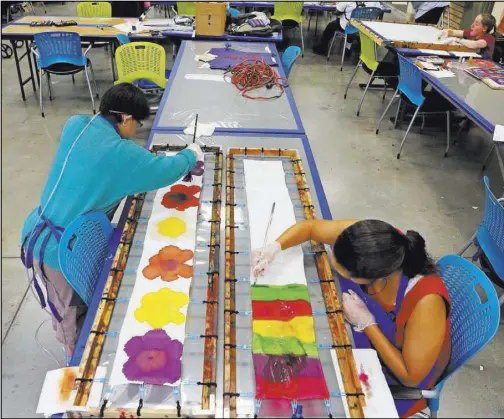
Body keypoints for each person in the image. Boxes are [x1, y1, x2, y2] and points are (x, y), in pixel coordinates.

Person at [20, 83, 203, 359]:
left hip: (47, 225)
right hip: (55, 250)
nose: (136, 132)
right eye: (137, 124)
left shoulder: (77, 124)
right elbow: (166, 170)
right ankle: (74, 362)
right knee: (68, 314)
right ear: (126, 118)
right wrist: (192, 154)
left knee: (83, 296)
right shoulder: (121, 154)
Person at [251, 219, 451, 417]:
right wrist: (274, 247)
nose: (337, 271)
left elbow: (410, 377)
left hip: (392, 375)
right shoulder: (370, 242)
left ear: (373, 278)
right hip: (356, 332)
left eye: (343, 272)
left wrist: (367, 323)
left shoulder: (426, 301)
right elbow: (310, 228)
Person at [313, 2, 385, 56]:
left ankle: (322, 48)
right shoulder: (376, 1)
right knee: (353, 27)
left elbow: (338, 11)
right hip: (365, 29)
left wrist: (335, 12)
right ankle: (354, 48)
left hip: (349, 27)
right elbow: (379, 11)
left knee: (331, 26)